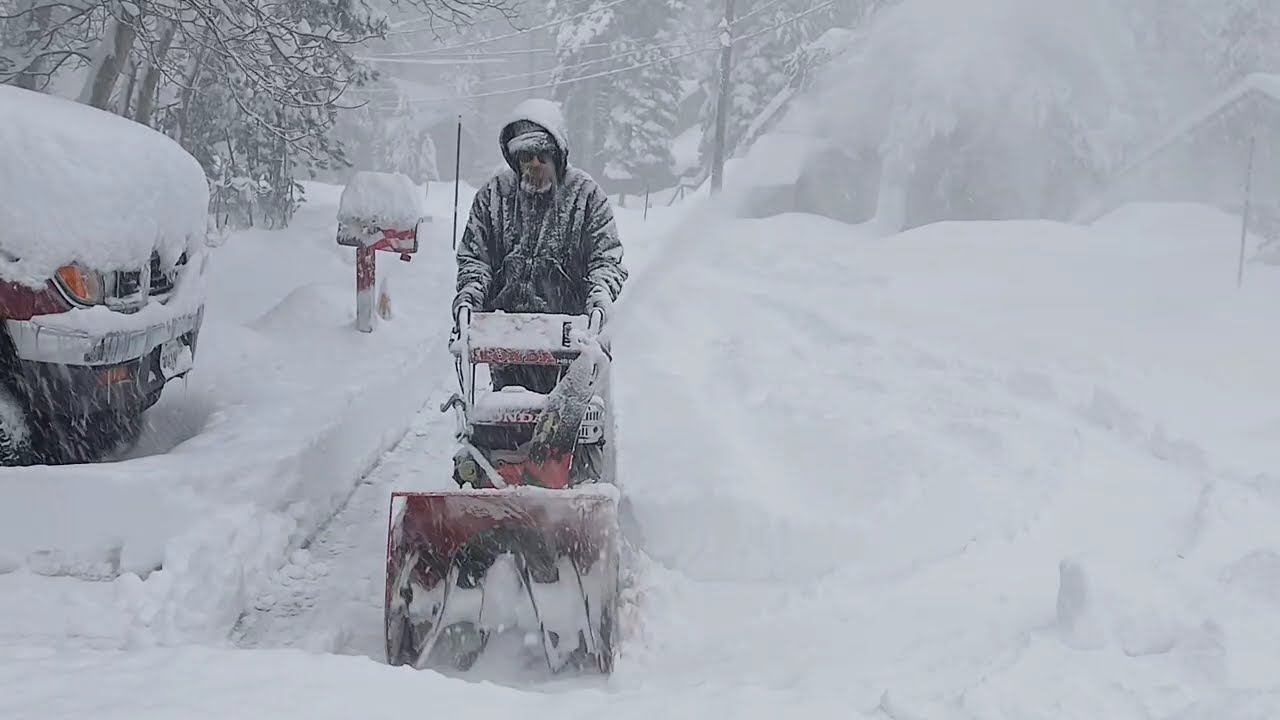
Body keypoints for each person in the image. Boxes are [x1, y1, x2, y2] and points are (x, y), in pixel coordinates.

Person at [451, 98, 628, 394]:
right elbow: (475, 257)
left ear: (558, 154)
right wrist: (470, 294)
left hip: (568, 336)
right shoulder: (494, 196)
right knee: (504, 424)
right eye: (526, 155)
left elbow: (607, 260)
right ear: (514, 158)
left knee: (563, 426)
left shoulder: (586, 197)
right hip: (507, 336)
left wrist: (599, 298)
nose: (534, 163)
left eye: (542, 155)